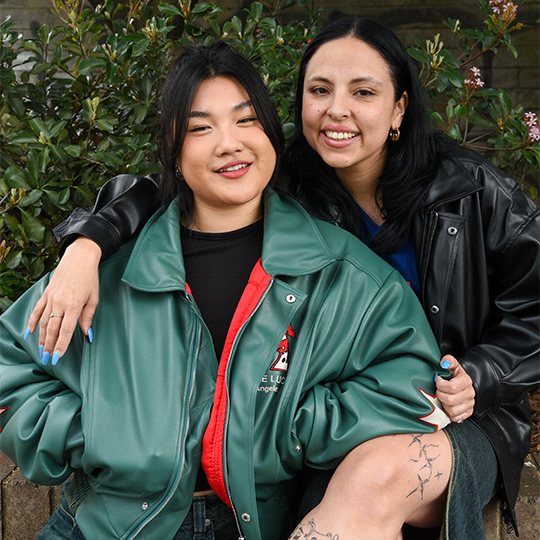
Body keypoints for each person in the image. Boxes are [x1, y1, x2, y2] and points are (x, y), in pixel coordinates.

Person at [18, 15, 539, 540]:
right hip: (160, 504)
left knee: (370, 479)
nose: (338, 110)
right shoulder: (290, 182)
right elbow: (171, 187)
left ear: (399, 106)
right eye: (320, 89)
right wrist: (87, 245)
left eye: (363, 91)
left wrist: (483, 373)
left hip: (462, 410)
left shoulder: (471, 191)